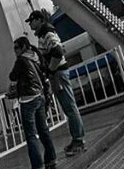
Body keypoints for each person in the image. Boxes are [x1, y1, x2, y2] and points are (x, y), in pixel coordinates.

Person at [27, 9, 86, 155]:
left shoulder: (46, 33)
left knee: (70, 108)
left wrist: (51, 70)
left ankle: (79, 141)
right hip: (58, 74)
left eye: (32, 20)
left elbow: (58, 52)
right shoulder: (46, 33)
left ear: (40, 20)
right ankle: (76, 138)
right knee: (68, 108)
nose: (30, 24)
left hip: (58, 74)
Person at [9, 36, 57, 169]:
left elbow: (12, 76)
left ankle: (37, 167)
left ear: (23, 47)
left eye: (16, 47)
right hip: (40, 96)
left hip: (28, 99)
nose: (15, 50)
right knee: (43, 130)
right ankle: (51, 160)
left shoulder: (22, 60)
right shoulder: (36, 56)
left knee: (31, 134)